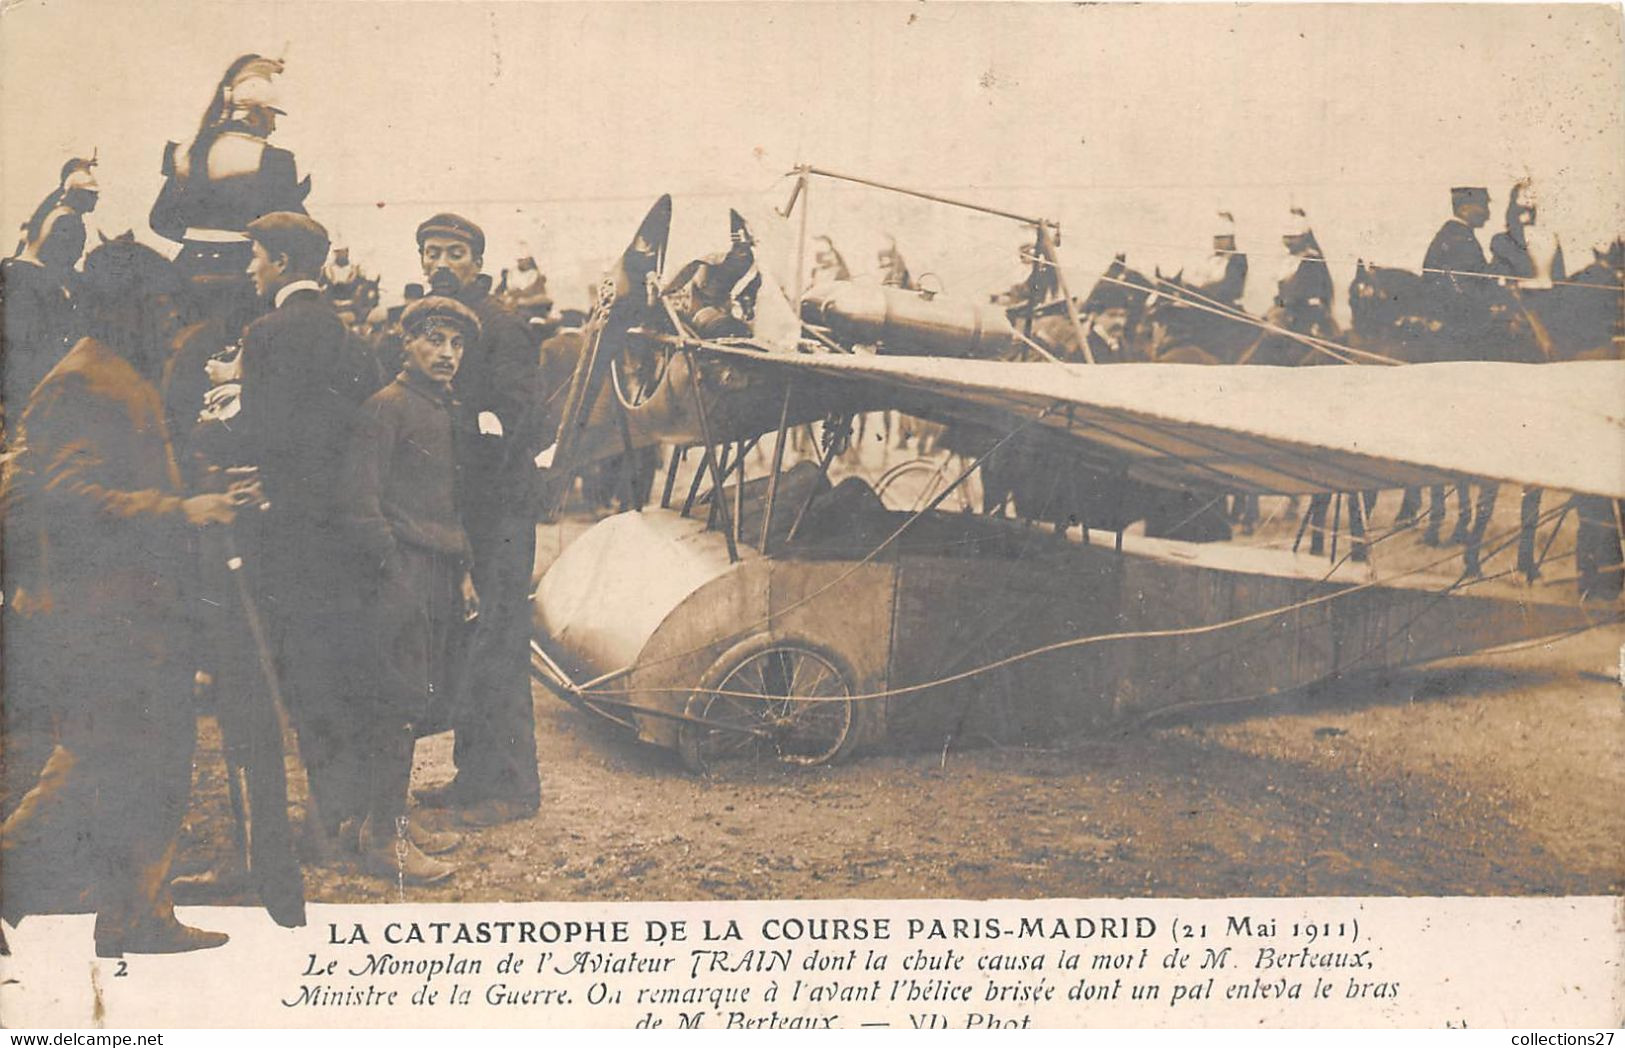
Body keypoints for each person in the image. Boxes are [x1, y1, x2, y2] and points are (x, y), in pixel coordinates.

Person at [1, 238, 250, 956]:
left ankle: (138, 915)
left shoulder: (112, 372)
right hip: (100, 619)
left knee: (153, 761)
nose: (171, 320)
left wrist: (195, 488)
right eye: (162, 305)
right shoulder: (85, 379)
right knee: (94, 763)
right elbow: (66, 499)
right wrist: (181, 511)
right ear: (124, 307)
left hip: (132, 615)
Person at [237, 212, 382, 853]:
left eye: (257, 256)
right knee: (342, 669)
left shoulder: (265, 334)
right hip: (341, 532)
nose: (250, 267)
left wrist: (227, 391)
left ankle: (324, 825)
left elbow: (262, 436)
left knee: (300, 675)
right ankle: (350, 812)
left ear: (284, 264)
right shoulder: (349, 337)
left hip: (287, 533)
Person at [410, 213, 544, 827]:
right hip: (461, 512)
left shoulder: (500, 326)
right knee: (469, 645)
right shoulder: (436, 328)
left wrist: (459, 437)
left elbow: (519, 423)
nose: (441, 263)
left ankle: (514, 791)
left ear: (477, 262)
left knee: (500, 645)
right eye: (432, 251)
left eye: (455, 252)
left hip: (500, 513)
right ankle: (474, 778)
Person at [339, 297, 479, 883]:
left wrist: (464, 571)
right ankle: (380, 840)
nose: (446, 353)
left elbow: (447, 505)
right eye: (434, 340)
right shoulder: (387, 408)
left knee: (416, 702)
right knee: (394, 705)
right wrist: (393, 572)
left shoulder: (440, 409)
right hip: (401, 574)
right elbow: (358, 502)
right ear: (407, 343)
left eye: (456, 344)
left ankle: (379, 821)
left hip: (439, 570)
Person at [149, 55, 311, 292]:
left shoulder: (186, 151)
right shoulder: (275, 160)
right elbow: (289, 232)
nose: (273, 126)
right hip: (244, 275)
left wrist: (198, 238)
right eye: (272, 116)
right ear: (256, 114)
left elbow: (159, 220)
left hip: (188, 269)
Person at [1195, 211, 1247, 309]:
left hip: (1225, 306)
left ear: (1231, 239)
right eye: (1216, 239)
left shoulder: (1237, 259)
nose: (1218, 242)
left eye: (1222, 238)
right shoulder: (1210, 260)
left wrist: (1204, 287)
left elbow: (1231, 287)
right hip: (1203, 303)